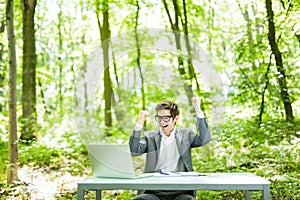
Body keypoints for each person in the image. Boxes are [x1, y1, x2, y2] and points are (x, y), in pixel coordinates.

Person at [129, 97, 211, 200]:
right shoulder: (150, 137)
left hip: (180, 191)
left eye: (166, 118)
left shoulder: (186, 135)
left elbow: (204, 139)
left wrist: (198, 110)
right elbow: (133, 150)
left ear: (175, 118)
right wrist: (140, 123)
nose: (162, 122)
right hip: (154, 192)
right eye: (159, 118)